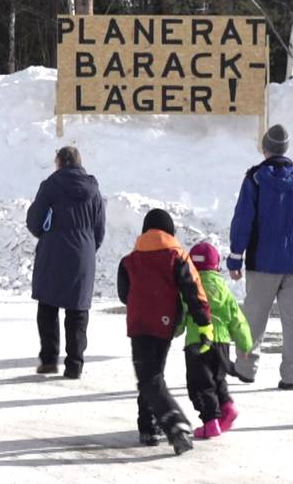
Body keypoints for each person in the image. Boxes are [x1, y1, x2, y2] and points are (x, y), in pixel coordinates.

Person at [227, 124, 293, 390]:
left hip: (263, 261)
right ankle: (291, 375)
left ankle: (246, 368)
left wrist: (235, 257)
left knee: (254, 318)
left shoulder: (255, 179)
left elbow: (243, 221)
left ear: (265, 148)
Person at [117, 209, 213, 455]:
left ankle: (152, 425)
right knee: (153, 374)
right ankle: (171, 424)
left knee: (148, 376)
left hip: (139, 324)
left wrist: (141, 301)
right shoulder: (177, 256)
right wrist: (204, 322)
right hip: (164, 323)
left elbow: (123, 294)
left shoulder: (129, 260)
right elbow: (193, 289)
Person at [26, 146, 105, 379]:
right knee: (78, 310)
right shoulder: (93, 190)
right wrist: (88, 247)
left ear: (59, 162)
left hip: (53, 252)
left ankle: (49, 360)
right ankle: (74, 364)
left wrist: (47, 235)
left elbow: (34, 222)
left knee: (48, 306)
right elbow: (100, 228)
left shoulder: (50, 186)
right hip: (83, 254)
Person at [178, 242, 253, 439]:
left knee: (201, 384)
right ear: (216, 265)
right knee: (218, 379)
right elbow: (237, 318)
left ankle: (211, 422)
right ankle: (227, 407)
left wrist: (174, 331)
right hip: (222, 342)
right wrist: (245, 343)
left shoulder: (189, 286)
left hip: (198, 342)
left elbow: (181, 313)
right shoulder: (223, 289)